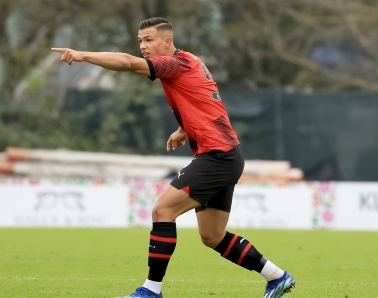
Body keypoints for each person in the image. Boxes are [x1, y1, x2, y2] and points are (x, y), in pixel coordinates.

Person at [52, 17, 296, 298]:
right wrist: (184, 128)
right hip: (226, 154)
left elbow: (128, 63)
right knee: (212, 236)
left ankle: (150, 291)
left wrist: (82, 55)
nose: (143, 46)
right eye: (140, 41)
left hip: (217, 156)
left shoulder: (174, 63)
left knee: (162, 211)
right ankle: (277, 277)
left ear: (167, 42)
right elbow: (204, 98)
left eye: (149, 40)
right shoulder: (190, 60)